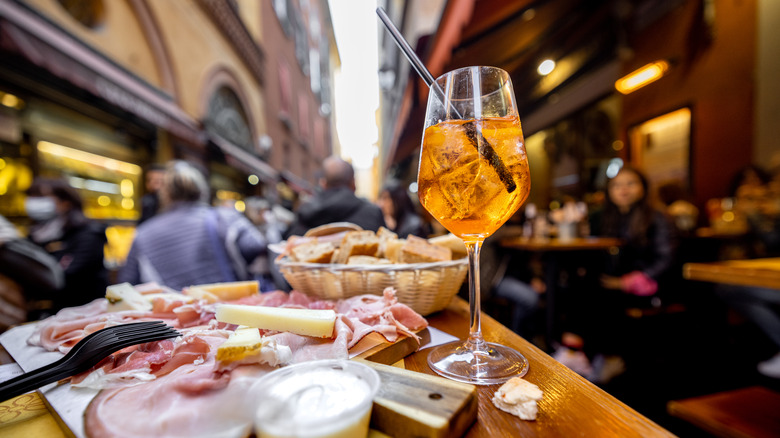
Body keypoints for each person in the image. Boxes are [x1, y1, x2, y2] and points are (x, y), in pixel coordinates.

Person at [555, 165, 676, 382]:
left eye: (630, 183)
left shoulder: (657, 217)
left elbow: (665, 259)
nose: (623, 189)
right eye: (617, 185)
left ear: (643, 188)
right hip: (614, 280)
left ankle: (600, 356)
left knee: (597, 294)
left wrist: (625, 282)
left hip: (648, 284)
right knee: (577, 285)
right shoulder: (606, 217)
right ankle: (579, 352)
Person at [118, 160, 267, 290]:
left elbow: (127, 284)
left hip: (173, 318)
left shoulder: (143, 233)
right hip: (226, 314)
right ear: (202, 190)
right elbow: (256, 245)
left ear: (165, 194)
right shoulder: (224, 217)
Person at [26, 177, 108, 316]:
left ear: (66, 202)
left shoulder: (88, 234)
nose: (34, 202)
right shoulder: (36, 234)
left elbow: (68, 277)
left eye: (41, 197)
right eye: (31, 196)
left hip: (85, 313)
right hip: (51, 313)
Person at [285, 156, 385, 237]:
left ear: (323, 184)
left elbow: (286, 248)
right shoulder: (373, 214)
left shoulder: (303, 214)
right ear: (353, 183)